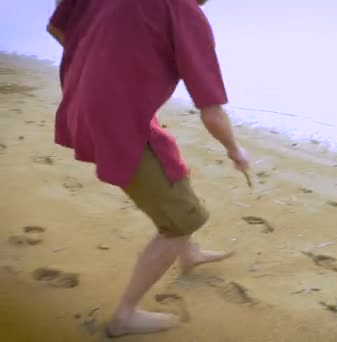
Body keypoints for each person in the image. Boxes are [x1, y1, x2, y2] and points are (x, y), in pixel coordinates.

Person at [47, 0, 249, 337]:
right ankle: (125, 315)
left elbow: (57, 26)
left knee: (168, 155)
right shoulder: (186, 13)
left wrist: (105, 63)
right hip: (113, 120)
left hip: (81, 102)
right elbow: (212, 112)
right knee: (183, 219)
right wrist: (235, 150)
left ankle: (190, 255)